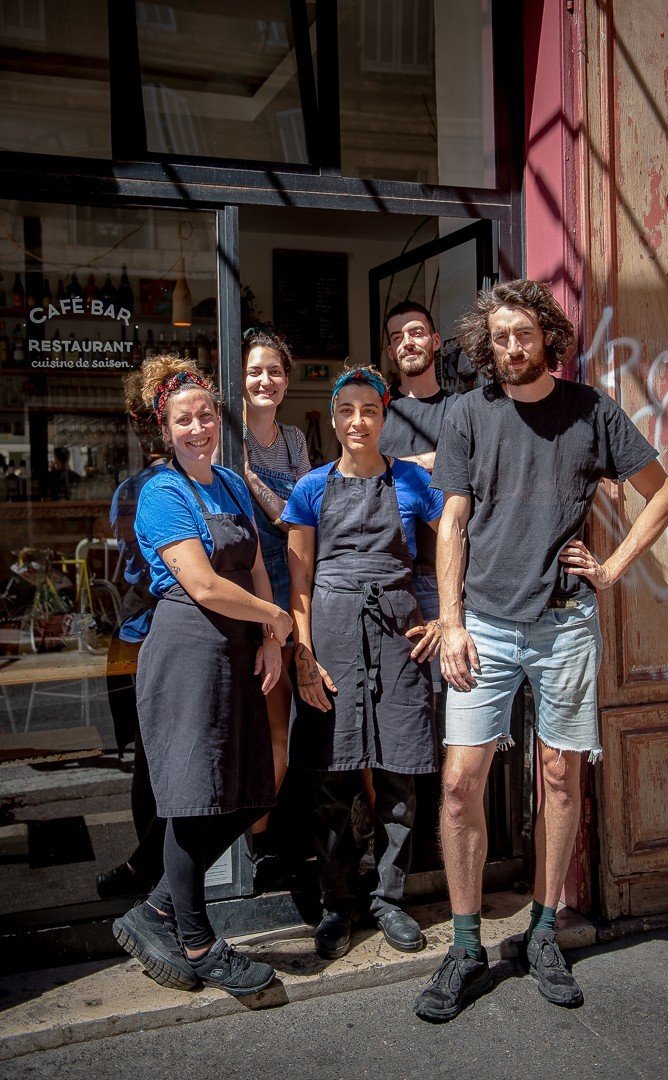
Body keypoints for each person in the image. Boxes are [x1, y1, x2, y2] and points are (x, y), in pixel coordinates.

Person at [415, 279, 668, 1021]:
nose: (509, 348)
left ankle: (541, 931)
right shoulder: (469, 414)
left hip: (565, 623)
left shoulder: (590, 411)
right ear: (485, 343)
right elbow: (452, 523)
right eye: (497, 337)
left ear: (547, 336)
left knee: (561, 778)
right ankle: (466, 944)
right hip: (487, 626)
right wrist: (453, 619)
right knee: (463, 781)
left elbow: (665, 494)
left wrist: (613, 571)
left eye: (522, 335)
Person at [112, 355, 293, 998]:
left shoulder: (231, 484)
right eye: (184, 419)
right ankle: (196, 939)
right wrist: (276, 618)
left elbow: (260, 567)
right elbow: (202, 582)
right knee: (193, 800)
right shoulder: (162, 491)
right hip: (188, 648)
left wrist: (271, 638)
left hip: (239, 649)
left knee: (249, 793)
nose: (198, 428)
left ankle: (156, 910)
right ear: (164, 429)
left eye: (207, 415)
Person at [282, 366, 443, 960]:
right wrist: (302, 652)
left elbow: (453, 538)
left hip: (399, 632)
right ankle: (337, 903)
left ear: (384, 416)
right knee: (333, 777)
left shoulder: (411, 482)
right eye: (346, 410)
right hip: (331, 631)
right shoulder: (310, 489)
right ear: (333, 419)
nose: (358, 421)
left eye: (369, 411)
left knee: (400, 774)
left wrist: (444, 617)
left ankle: (390, 900)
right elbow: (299, 578)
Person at [240, 326, 311, 878]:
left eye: (274, 371)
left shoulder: (292, 440)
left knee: (279, 716)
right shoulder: (225, 437)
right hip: (238, 590)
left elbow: (300, 515)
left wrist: (255, 487)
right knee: (243, 716)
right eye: (254, 371)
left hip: (290, 589)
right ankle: (246, 837)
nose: (265, 380)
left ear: (286, 382)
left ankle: (260, 841)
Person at [97, 371, 168, 900]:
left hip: (148, 632)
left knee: (160, 761)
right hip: (142, 635)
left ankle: (152, 873)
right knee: (151, 760)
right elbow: (140, 569)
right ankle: (150, 872)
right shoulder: (137, 490)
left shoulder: (211, 477)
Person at [379, 300, 457, 692]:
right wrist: (429, 462)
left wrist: (406, 462)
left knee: (450, 699)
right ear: (391, 352)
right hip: (385, 577)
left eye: (416, 332)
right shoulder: (377, 414)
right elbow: (361, 470)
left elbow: (477, 470)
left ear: (436, 341)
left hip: (441, 577)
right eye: (398, 337)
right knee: (399, 701)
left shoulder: (462, 410)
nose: (408, 342)